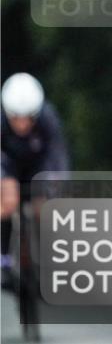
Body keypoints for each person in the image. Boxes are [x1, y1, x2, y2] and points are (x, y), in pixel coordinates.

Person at [1, 73, 70, 290]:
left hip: (38, 166)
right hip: (7, 165)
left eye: (28, 117)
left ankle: (46, 258)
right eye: (16, 118)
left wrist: (56, 181)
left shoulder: (48, 118)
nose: (22, 124)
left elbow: (57, 155)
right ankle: (3, 259)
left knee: (47, 207)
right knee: (7, 202)